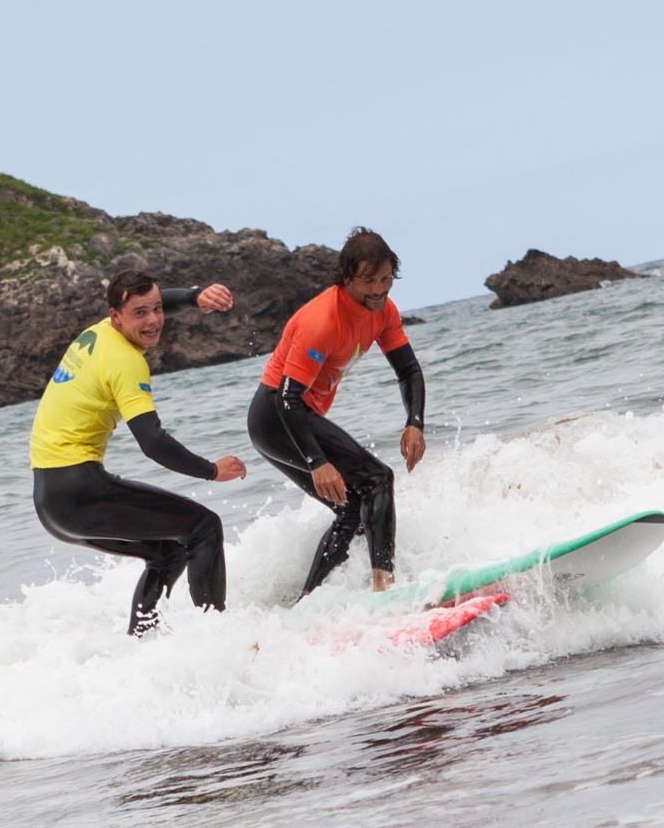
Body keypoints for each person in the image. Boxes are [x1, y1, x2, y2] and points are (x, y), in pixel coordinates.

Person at [30, 269, 247, 635]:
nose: (153, 321)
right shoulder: (126, 361)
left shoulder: (97, 333)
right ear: (117, 315)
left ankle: (141, 647)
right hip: (79, 488)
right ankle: (220, 638)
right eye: (140, 313)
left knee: (167, 554)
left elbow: (153, 301)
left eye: (158, 309)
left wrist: (195, 296)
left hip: (50, 502)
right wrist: (211, 470)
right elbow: (153, 442)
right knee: (203, 527)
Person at [247, 227, 426, 600]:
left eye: (386, 279)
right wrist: (317, 461)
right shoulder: (322, 321)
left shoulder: (384, 311)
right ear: (346, 279)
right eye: (368, 281)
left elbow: (408, 370)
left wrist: (414, 423)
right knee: (377, 478)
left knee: (352, 507)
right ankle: (385, 587)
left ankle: (309, 602)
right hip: (276, 417)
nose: (379, 289)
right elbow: (287, 398)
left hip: (294, 417)